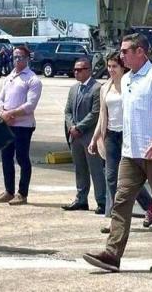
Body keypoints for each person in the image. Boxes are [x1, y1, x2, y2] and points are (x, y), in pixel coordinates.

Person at [84, 33, 152, 273]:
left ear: (141, 52)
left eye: (126, 50)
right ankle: (112, 254)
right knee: (121, 202)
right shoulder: (126, 79)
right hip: (131, 154)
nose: (121, 54)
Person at [88, 52, 152, 233]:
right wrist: (95, 138)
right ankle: (116, 219)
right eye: (109, 66)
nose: (111, 70)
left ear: (123, 67)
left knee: (129, 178)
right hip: (111, 135)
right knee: (111, 178)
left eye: (114, 66)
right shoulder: (105, 88)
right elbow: (103, 116)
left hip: (129, 135)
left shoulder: (130, 84)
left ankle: (149, 205)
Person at [0, 46, 42, 205]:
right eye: (15, 57)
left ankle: (22, 193)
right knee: (6, 157)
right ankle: (9, 190)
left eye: (20, 57)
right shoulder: (9, 77)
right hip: (7, 123)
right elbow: (0, 99)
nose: (17, 60)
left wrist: (11, 114)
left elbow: (30, 105)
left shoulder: (32, 79)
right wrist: (2, 112)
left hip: (23, 125)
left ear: (27, 58)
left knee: (22, 158)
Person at [62, 57, 105, 214]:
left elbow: (95, 113)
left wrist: (79, 127)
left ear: (89, 70)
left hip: (89, 136)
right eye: (75, 69)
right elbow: (67, 111)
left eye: (80, 69)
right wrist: (71, 126)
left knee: (96, 170)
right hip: (75, 137)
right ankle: (81, 199)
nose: (76, 72)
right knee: (80, 169)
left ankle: (102, 201)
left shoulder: (97, 88)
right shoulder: (74, 89)